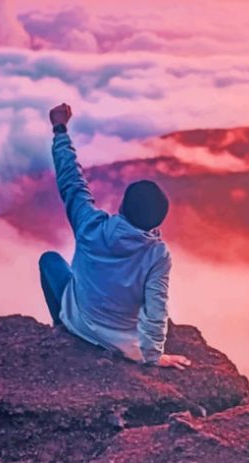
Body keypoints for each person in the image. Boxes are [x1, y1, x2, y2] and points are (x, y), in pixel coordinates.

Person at [38, 102, 191, 370]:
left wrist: (60, 129)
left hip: (80, 323)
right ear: (156, 222)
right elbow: (157, 309)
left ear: (122, 206)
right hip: (123, 344)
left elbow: (71, 181)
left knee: (50, 261)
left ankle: (61, 325)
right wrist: (153, 356)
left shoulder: (90, 225)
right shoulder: (157, 255)